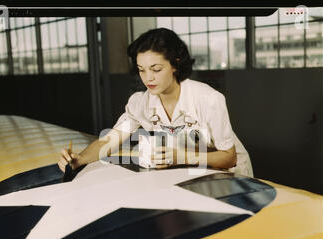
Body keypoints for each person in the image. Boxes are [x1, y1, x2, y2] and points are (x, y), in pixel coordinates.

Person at [58, 28, 253, 177]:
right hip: (189, 173)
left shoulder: (207, 99)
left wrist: (180, 157)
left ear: (175, 64)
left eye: (156, 69)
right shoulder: (139, 103)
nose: (148, 78)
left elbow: (229, 157)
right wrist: (79, 159)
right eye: (141, 70)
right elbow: (110, 139)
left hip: (232, 175)